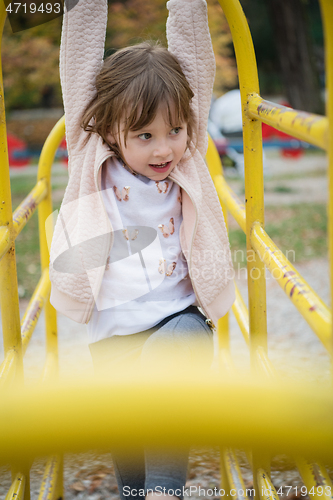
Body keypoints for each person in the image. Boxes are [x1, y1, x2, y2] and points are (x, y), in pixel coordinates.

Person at [49, 0, 235, 498]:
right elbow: (79, 62)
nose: (164, 149)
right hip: (113, 335)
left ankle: (166, 492)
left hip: (178, 319)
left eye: (174, 130)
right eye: (145, 136)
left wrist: (188, 5)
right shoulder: (90, 157)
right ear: (110, 130)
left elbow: (195, 56)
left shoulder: (187, 156)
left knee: (165, 385)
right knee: (130, 455)